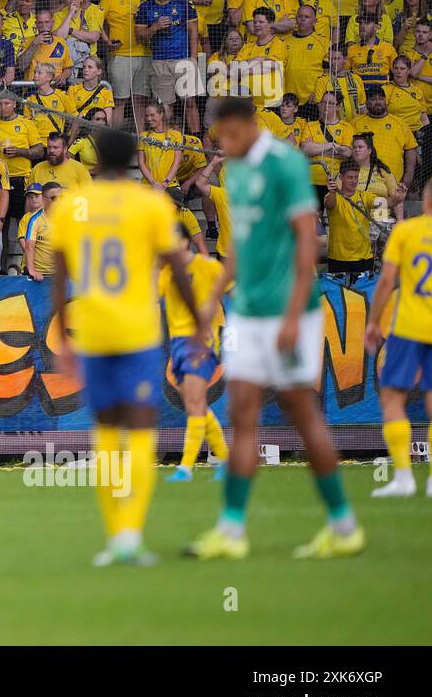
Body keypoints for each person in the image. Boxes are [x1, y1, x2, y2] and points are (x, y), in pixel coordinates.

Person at [185, 98, 365, 561]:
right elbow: (240, 245)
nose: (221, 145)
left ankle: (343, 525)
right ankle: (231, 529)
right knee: (242, 411)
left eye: (225, 135)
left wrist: (291, 316)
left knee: (301, 413)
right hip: (247, 311)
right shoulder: (238, 173)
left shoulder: (285, 164)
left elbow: (308, 240)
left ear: (245, 125)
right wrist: (212, 299)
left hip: (291, 312)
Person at [48, 128, 205, 567]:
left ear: (96, 157)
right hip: (137, 332)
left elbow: (59, 277)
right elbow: (178, 269)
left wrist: (63, 335)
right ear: (135, 159)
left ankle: (114, 534)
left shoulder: (73, 207)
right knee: (139, 431)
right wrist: (199, 320)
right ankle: (131, 534)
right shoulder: (151, 205)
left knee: (105, 431)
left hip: (94, 331)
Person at [363, 181, 432, 497]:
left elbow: (387, 279)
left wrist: (373, 322)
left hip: (408, 327)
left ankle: (403, 476)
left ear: (426, 200)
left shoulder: (406, 231)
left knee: (392, 396)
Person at [160, 232, 230, 482]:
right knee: (196, 403)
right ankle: (224, 459)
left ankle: (185, 467)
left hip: (201, 342)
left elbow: (233, 291)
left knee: (194, 403)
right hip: (177, 344)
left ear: (183, 241)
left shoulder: (208, 266)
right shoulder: (168, 272)